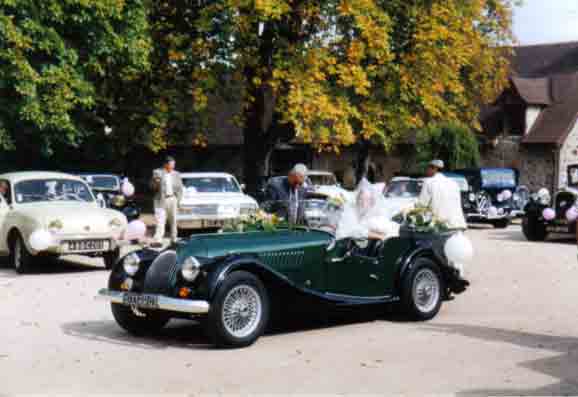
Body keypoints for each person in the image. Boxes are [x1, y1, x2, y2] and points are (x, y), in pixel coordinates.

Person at [334, 179, 400, 241]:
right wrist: (378, 236)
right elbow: (354, 230)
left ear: (371, 202)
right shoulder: (349, 210)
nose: (362, 202)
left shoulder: (373, 212)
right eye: (360, 199)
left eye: (366, 200)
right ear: (357, 199)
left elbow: (386, 225)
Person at [418, 159, 467, 230]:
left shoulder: (429, 182)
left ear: (434, 168)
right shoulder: (453, 183)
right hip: (458, 224)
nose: (427, 171)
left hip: (439, 226)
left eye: (428, 168)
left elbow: (421, 205)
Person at [150, 156, 183, 246]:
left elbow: (180, 189)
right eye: (171, 164)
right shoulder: (157, 172)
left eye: (174, 164)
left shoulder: (177, 174)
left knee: (174, 220)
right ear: (166, 164)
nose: (173, 166)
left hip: (173, 199)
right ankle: (158, 240)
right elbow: (152, 187)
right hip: (161, 199)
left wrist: (178, 200)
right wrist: (156, 182)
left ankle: (174, 239)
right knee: (160, 220)